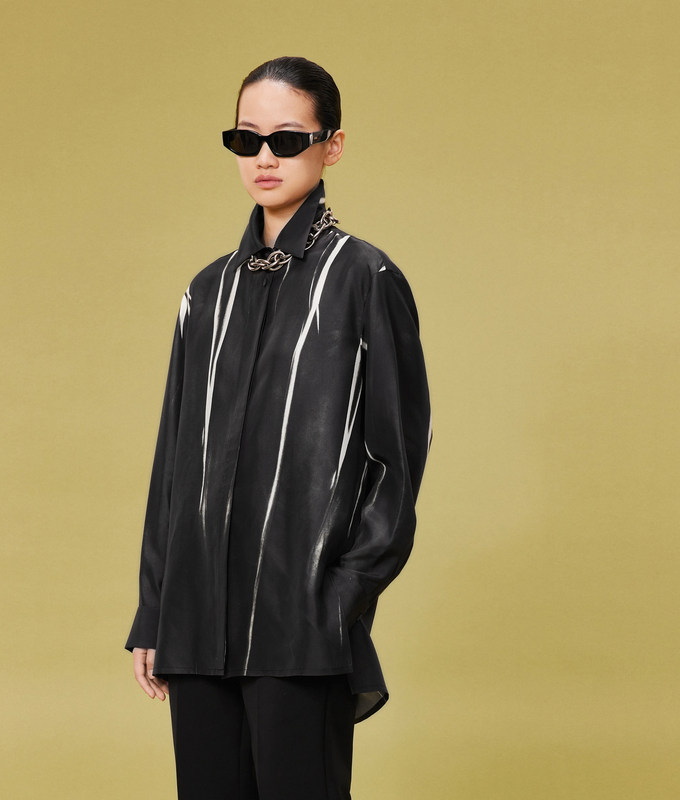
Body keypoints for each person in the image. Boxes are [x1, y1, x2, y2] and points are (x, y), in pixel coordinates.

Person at [126, 56, 431, 800]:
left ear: (332, 146)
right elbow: (175, 463)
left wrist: (340, 596)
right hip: (197, 621)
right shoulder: (207, 293)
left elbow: (397, 459)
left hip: (301, 622)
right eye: (246, 138)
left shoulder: (365, 279)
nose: (264, 157)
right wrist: (155, 609)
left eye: (288, 139)